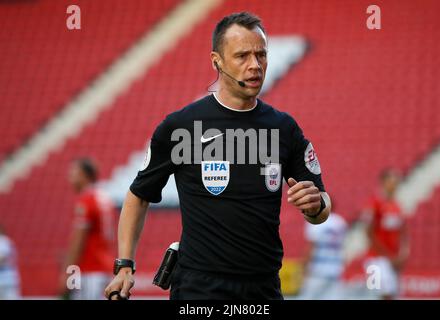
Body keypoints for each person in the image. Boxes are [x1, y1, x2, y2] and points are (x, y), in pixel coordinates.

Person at [105, 12, 331, 300]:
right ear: (217, 61)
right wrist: (125, 265)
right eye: (242, 56)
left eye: (261, 55)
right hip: (199, 288)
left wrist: (315, 206)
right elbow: (139, 195)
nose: (255, 65)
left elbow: (322, 207)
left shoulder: (284, 128)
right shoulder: (182, 127)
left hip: (263, 288)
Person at [59, 158, 116, 300]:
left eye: (74, 173)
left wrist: (67, 271)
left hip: (90, 269)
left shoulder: (86, 200)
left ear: (85, 175)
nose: (70, 178)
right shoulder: (104, 198)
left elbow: (78, 239)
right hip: (105, 265)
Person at [361, 168, 409, 299]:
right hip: (375, 260)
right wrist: (389, 256)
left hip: (392, 261)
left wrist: (402, 254)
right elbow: (368, 233)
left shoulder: (397, 206)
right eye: (392, 181)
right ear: (383, 182)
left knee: (392, 295)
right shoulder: (374, 204)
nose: (395, 185)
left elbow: (403, 233)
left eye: (396, 182)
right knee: (376, 295)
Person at [298, 208, 348, 300]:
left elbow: (312, 247)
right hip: (336, 269)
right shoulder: (340, 222)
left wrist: (304, 266)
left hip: (318, 270)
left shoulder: (315, 221)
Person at [0, 225, 21, 300]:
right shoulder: (6, 241)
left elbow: (2, 259)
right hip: (8, 277)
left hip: (5, 278)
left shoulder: (2, 241)